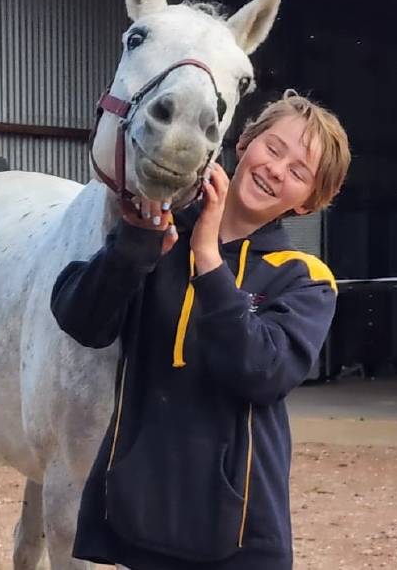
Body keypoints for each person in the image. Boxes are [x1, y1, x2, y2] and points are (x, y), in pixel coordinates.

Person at [50, 90, 352, 569]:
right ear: (244, 142)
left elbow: (263, 372)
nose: (277, 169)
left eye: (298, 172)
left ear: (308, 202)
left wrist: (208, 259)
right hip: (144, 514)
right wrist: (133, 247)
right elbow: (80, 320)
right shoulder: (160, 236)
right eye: (274, 149)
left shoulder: (302, 277)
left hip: (238, 527)